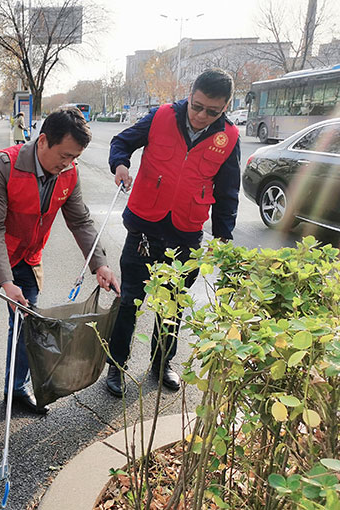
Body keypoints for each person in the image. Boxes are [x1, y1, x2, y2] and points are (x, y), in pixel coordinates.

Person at [0, 106, 120, 445]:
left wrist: (99, 263)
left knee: (28, 329)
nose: (68, 164)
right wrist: (5, 281)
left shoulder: (69, 173)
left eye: (74, 158)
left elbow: (80, 221)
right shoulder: (4, 165)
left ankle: (16, 388)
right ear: (43, 141)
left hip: (27, 259)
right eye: (64, 156)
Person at [106, 68, 240, 397]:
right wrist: (120, 164)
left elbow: (228, 192)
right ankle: (116, 365)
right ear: (189, 95)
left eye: (213, 111)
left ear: (226, 107)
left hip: (186, 231)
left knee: (173, 305)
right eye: (197, 106)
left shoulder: (228, 137)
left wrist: (223, 236)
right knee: (130, 301)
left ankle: (162, 363)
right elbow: (121, 142)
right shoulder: (161, 116)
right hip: (144, 226)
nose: (202, 116)